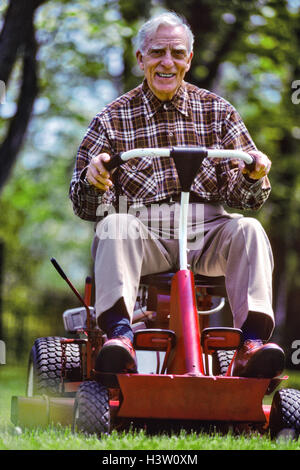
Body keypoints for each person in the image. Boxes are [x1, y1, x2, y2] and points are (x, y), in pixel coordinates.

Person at [69, 11, 285, 378]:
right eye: (157, 53)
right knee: (114, 224)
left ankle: (251, 345)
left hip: (208, 231)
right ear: (141, 59)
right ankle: (120, 338)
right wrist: (93, 180)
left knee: (249, 228)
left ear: (189, 58)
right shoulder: (112, 118)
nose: (167, 62)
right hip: (144, 233)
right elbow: (84, 205)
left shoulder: (219, 112)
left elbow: (247, 198)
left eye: (177, 53)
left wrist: (254, 174)